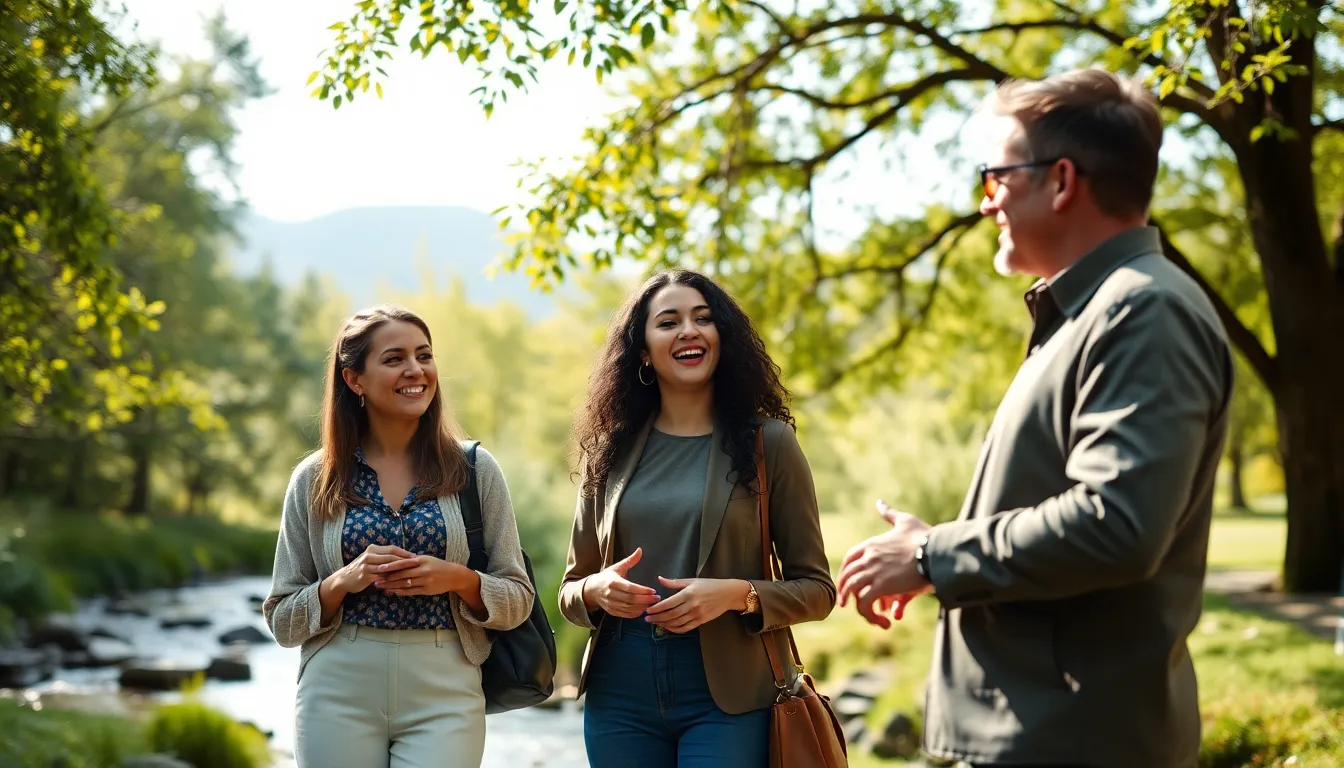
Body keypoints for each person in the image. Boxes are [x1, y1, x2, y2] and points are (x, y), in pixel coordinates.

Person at [835, 68, 1234, 768]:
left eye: (994, 178)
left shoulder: (1144, 313)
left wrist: (933, 555)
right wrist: (934, 555)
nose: (985, 202)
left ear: (1061, 181)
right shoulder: (1091, 314)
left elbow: (1117, 525)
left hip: (1072, 741)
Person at [558, 269, 835, 767]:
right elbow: (570, 591)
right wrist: (596, 590)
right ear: (642, 350)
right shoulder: (607, 455)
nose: (689, 330)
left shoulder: (769, 445)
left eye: (703, 319)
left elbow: (817, 590)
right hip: (619, 692)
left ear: (721, 338)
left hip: (729, 694)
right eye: (669, 322)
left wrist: (737, 594)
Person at [262, 305, 535, 768]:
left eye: (424, 355)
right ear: (354, 380)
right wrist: (341, 582)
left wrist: (459, 579)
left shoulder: (474, 470)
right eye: (394, 359)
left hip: (446, 688)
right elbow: (282, 620)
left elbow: (517, 599)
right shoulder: (314, 479)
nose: (416, 370)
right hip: (337, 687)